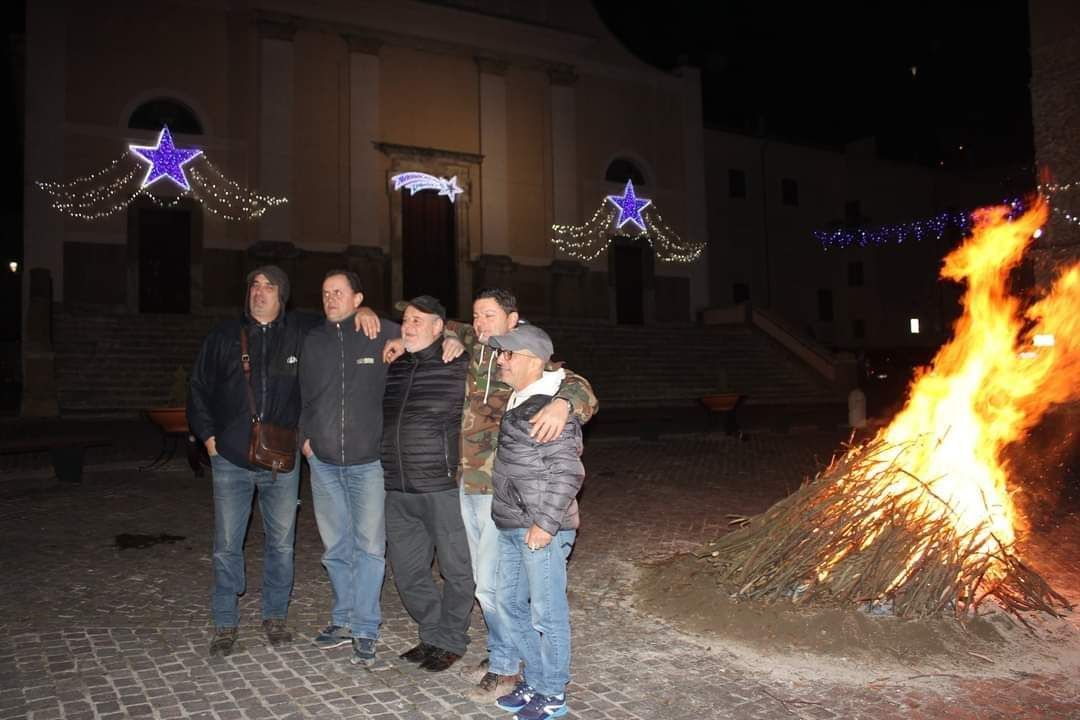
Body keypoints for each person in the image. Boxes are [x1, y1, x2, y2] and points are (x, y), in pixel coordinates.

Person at [188, 265, 378, 658]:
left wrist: (364, 311)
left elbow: (338, 318)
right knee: (226, 543)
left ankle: (274, 616)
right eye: (254, 285)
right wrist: (208, 438)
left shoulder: (300, 333)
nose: (259, 292)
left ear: (283, 296)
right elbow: (199, 389)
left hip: (280, 461)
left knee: (280, 544)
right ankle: (225, 620)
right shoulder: (223, 336)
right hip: (231, 458)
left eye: (269, 287)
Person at [454, 289, 596, 700]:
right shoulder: (473, 351)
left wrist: (564, 405)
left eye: (489, 315)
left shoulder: (537, 368)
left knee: (514, 597)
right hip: (480, 488)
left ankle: (511, 669)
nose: (480, 323)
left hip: (525, 505)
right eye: (476, 315)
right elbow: (424, 321)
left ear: (513, 321)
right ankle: (514, 662)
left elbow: (578, 388)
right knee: (496, 589)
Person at [299, 270, 398, 667]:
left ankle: (366, 627)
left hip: (368, 463)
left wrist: (395, 334)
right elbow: (303, 396)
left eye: (339, 292)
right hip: (322, 463)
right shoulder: (313, 340)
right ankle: (341, 620)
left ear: (358, 298)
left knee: (371, 548)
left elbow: (432, 330)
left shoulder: (379, 331)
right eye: (325, 293)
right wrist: (303, 440)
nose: (330, 299)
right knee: (336, 548)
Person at [488, 324, 585, 720]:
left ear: (530, 358)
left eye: (507, 354)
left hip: (541, 530)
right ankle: (536, 679)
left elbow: (567, 472)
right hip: (512, 525)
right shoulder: (519, 398)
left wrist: (545, 525)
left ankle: (552, 692)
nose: (499, 360)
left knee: (547, 613)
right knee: (511, 605)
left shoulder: (548, 405)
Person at [381, 295, 475, 672]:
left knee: (456, 568)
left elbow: (499, 340)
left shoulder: (459, 363)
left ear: (440, 327)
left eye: (419, 320)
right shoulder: (397, 366)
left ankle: (451, 638)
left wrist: (460, 339)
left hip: (440, 486)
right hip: (398, 487)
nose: (409, 325)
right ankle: (434, 632)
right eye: (406, 320)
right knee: (407, 571)